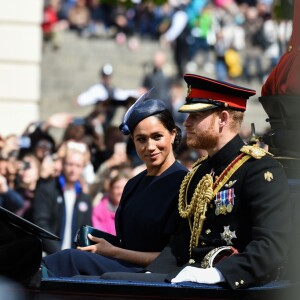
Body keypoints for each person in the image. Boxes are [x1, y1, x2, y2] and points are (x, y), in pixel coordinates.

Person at [101, 74, 292, 290]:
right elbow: (180, 245)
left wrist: (219, 273)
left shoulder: (259, 170)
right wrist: (150, 274)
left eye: (196, 116)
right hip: (192, 280)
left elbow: (271, 246)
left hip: (234, 286)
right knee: (112, 280)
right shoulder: (200, 172)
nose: (187, 123)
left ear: (222, 119)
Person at [41, 91, 188, 277]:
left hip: (153, 275)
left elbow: (174, 257)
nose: (149, 146)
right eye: (141, 139)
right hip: (122, 266)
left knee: (69, 260)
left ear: (173, 134)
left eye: (157, 136)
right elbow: (127, 242)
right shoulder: (133, 184)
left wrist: (113, 251)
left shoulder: (184, 184)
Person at [33, 146, 92, 255]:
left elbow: (86, 231)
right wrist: (59, 253)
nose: (73, 169)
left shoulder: (85, 198)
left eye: (78, 165)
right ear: (62, 165)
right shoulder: (47, 189)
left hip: (74, 258)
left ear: (82, 168)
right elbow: (41, 224)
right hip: (47, 255)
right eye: (70, 164)